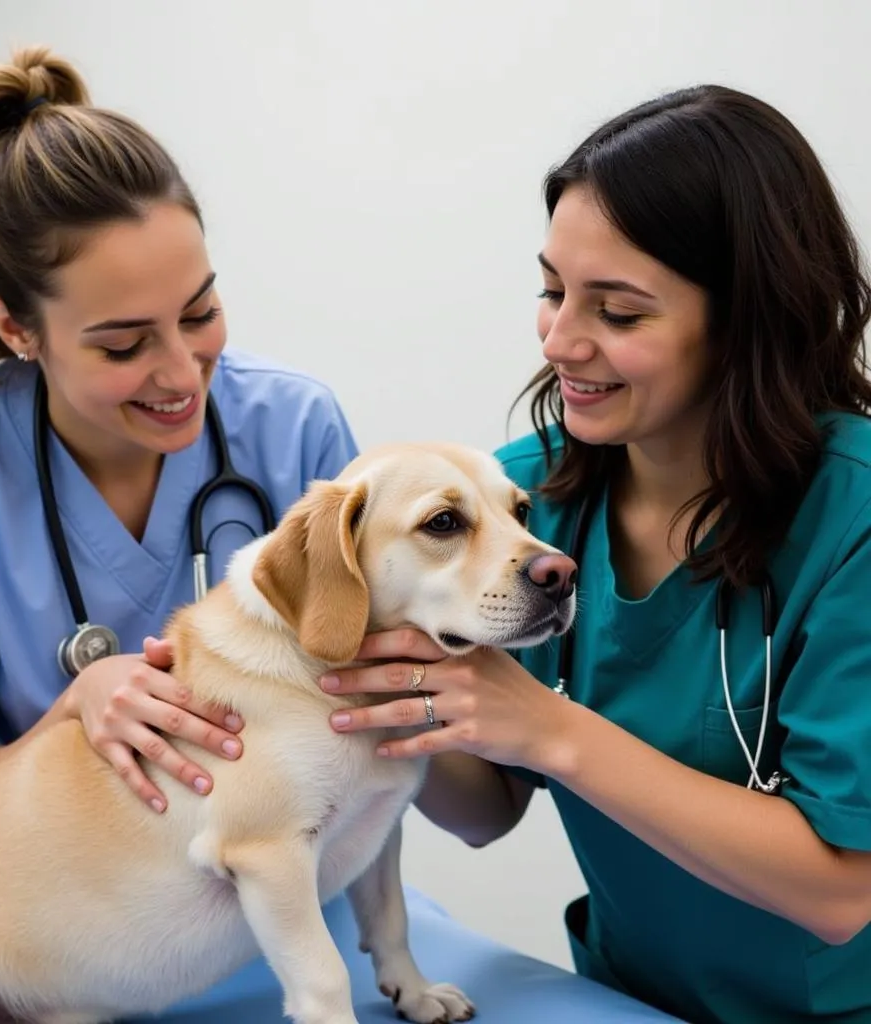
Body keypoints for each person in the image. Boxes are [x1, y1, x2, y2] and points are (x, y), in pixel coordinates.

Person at [320, 85, 871, 1023]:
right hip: (626, 998)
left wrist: (550, 729)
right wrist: (380, 682)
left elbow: (841, 892)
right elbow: (486, 809)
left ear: (745, 318)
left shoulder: (851, 517)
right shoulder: (528, 497)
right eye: (551, 289)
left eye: (617, 312)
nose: (560, 339)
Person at [0, 44, 357, 824]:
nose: (185, 374)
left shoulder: (294, 429)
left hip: (283, 869)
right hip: (64, 904)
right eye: (124, 345)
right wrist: (73, 714)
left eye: (199, 313)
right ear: (15, 326)